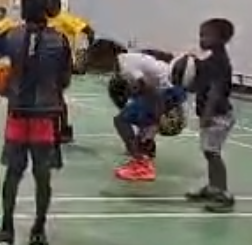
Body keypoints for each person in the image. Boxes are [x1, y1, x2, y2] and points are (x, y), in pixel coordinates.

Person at [0, 0, 71, 245]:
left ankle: (6, 229)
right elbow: (65, 80)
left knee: (13, 173)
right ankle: (38, 232)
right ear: (47, 11)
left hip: (18, 112)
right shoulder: (60, 40)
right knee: (42, 176)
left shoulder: (11, 35)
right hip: (46, 116)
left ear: (22, 9)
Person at [83, 40, 185, 182]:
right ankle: (141, 157)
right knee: (137, 121)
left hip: (167, 92)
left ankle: (141, 162)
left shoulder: (126, 67)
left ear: (106, 57)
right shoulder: (123, 62)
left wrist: (156, 116)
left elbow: (149, 89)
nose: (93, 64)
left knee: (121, 121)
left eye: (95, 60)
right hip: (165, 91)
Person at [186, 18, 236, 213]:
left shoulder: (219, 62)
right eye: (200, 34)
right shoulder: (209, 61)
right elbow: (195, 85)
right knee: (209, 152)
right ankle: (213, 187)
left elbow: (215, 91)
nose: (201, 39)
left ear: (221, 39)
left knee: (212, 153)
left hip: (219, 115)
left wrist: (207, 114)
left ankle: (223, 194)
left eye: (205, 35)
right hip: (213, 115)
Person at [44, 0, 94, 142]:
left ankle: (63, 128)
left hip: (62, 65)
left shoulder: (66, 18)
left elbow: (88, 30)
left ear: (58, 4)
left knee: (56, 97)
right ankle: (54, 128)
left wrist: (86, 51)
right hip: (46, 64)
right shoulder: (43, 19)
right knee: (50, 97)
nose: (49, 7)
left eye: (52, 3)